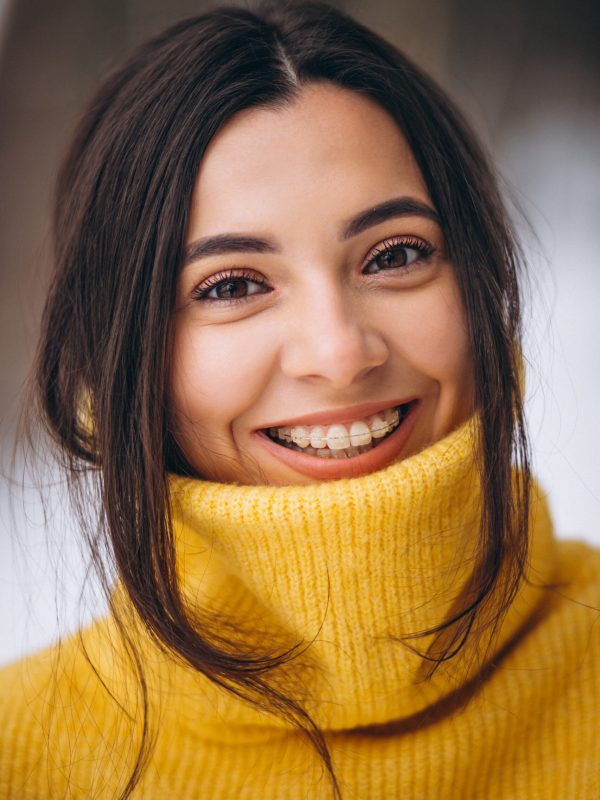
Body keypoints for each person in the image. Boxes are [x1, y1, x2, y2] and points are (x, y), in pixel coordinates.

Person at [1, 2, 598, 798]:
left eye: (394, 256)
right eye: (233, 285)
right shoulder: (22, 754)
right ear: (121, 358)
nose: (340, 351)